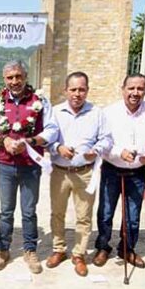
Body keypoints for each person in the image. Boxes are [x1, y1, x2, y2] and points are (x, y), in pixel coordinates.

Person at [0, 60, 58, 274]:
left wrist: (31, 141)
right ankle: (3, 250)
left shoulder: (40, 101)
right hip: (6, 166)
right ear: (4, 79)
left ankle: (30, 250)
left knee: (29, 211)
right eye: (10, 77)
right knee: (6, 211)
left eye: (18, 76)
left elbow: (52, 130)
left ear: (25, 77)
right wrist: (3, 140)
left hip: (31, 166)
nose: (14, 81)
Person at [93, 74, 145, 269]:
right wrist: (119, 152)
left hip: (137, 172)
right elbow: (102, 140)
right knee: (105, 212)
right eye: (131, 88)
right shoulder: (109, 112)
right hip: (112, 170)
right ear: (123, 89)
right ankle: (102, 247)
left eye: (140, 89)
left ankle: (127, 249)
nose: (135, 93)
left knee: (132, 216)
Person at [46, 71, 112, 277]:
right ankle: (59, 249)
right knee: (57, 213)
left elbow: (107, 139)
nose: (77, 94)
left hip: (85, 173)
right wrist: (57, 147)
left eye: (81, 89)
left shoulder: (97, 113)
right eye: (73, 89)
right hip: (60, 173)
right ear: (65, 90)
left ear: (87, 90)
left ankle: (79, 254)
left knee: (84, 216)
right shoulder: (55, 112)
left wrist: (96, 150)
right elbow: (46, 140)